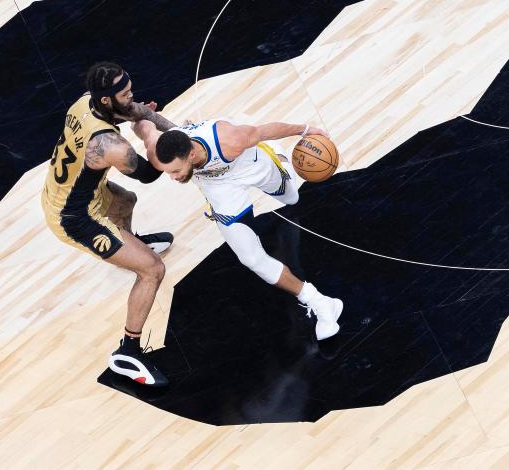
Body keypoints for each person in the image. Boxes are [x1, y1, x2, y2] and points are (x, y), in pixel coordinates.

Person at [133, 117, 344, 340]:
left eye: (176, 171)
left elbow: (265, 130)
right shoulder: (158, 154)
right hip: (219, 189)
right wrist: (132, 118)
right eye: (169, 172)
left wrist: (306, 129)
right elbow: (145, 127)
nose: (173, 178)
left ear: (192, 155)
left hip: (250, 165)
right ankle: (320, 302)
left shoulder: (231, 140)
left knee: (292, 198)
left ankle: (277, 155)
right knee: (251, 259)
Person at [41, 61, 176, 387]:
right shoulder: (111, 147)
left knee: (126, 200)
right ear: (106, 99)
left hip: (63, 191)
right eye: (125, 94)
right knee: (153, 270)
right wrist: (152, 135)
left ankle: (129, 245)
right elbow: (151, 172)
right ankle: (128, 352)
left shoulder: (85, 101)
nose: (132, 97)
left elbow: (135, 110)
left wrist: (174, 129)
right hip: (75, 218)